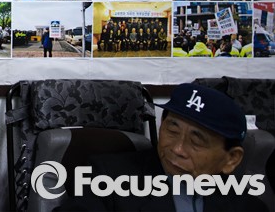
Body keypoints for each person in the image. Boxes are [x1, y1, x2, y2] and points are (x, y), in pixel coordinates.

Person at [56, 83, 268, 212]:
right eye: (172, 130)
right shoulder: (108, 178)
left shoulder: (248, 206)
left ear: (231, 159)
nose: (177, 149)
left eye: (197, 141)